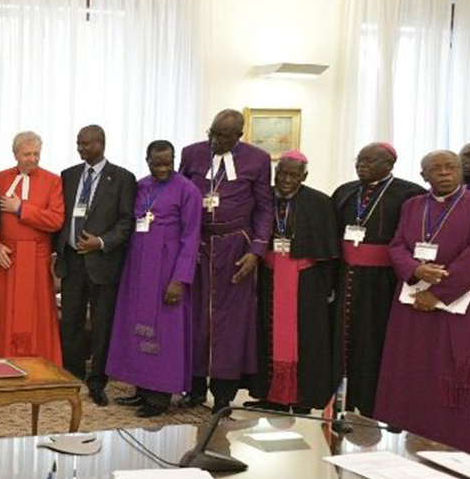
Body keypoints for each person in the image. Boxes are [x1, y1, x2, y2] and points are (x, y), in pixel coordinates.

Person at [375, 150, 470, 452]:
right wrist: (414, 270)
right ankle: (412, 438)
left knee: (448, 372)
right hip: (412, 299)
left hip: (456, 304)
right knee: (413, 369)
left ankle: (452, 445)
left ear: (460, 171)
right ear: (423, 176)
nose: (444, 173)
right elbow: (397, 245)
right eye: (436, 168)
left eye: (450, 167)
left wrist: (438, 293)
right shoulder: (413, 205)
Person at [178, 109, 273, 410]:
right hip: (198, 244)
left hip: (235, 247)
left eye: (222, 136)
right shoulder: (191, 153)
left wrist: (255, 251)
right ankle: (193, 389)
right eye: (212, 133)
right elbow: (180, 196)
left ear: (238, 136)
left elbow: (264, 208)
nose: (215, 141)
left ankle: (223, 394)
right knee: (195, 319)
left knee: (230, 324)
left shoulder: (258, 159)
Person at [106, 141, 201, 416]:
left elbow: (191, 238)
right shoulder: (141, 186)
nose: (162, 169)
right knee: (137, 329)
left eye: (167, 163)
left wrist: (179, 280)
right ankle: (141, 391)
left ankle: (159, 399)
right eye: (157, 163)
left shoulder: (188, 190)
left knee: (164, 334)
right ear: (147, 160)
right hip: (138, 269)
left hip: (166, 271)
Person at [331, 142, 425, 416]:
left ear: (389, 164)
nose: (361, 165)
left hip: (385, 280)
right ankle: (343, 399)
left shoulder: (410, 194)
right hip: (346, 274)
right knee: (343, 336)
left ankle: (375, 401)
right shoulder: (345, 191)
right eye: (359, 160)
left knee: (376, 338)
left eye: (369, 161)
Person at [249, 152, 340, 411]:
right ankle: (269, 395)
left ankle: (302, 397)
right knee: (266, 333)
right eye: (282, 174)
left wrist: (327, 287)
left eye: (294, 175)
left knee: (307, 338)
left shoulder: (319, 202)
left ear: (304, 176)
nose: (287, 180)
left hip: (306, 281)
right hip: (268, 276)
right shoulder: (262, 197)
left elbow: (328, 252)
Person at [53, 125, 136, 406]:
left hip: (103, 262)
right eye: (78, 144)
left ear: (101, 144)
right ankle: (72, 374)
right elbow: (60, 216)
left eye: (85, 144)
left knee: (102, 324)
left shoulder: (122, 178)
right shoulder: (68, 175)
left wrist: (100, 242)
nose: (80, 148)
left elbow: (126, 222)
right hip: (72, 260)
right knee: (71, 321)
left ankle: (97, 381)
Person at [0, 131, 65, 364]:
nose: (33, 159)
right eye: (27, 154)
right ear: (15, 154)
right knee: (3, 314)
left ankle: (39, 365)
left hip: (37, 261)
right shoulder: (0, 179)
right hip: (6, 259)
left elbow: (56, 220)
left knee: (36, 315)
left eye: (36, 154)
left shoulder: (53, 181)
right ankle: (0, 362)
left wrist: (21, 209)